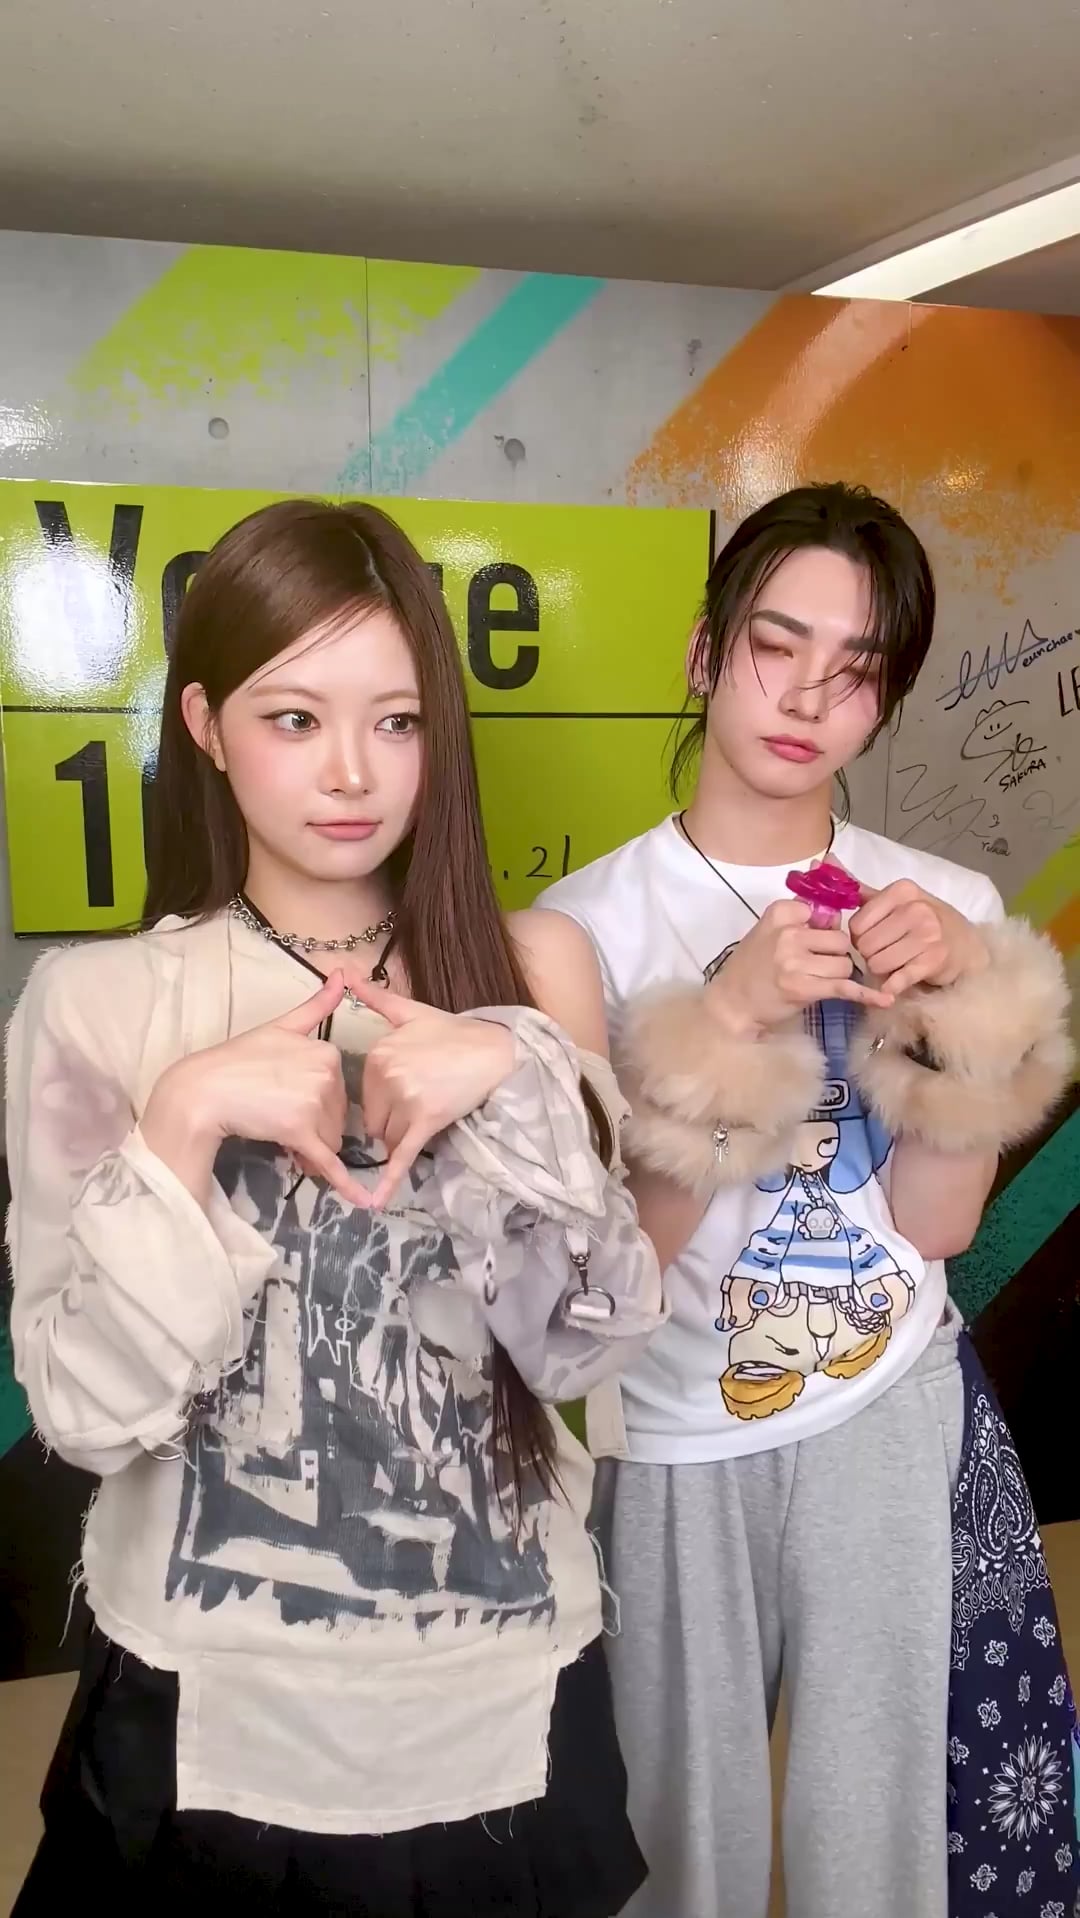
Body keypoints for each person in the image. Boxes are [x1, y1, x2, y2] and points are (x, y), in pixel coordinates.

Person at [6, 497, 664, 1915]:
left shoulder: (536, 968)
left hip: (501, 1702)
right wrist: (182, 1124)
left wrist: (519, 1075)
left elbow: (587, 1350)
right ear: (205, 722)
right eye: (294, 718)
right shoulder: (99, 1001)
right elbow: (82, 1415)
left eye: (398, 721)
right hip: (202, 1716)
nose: (353, 773)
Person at [538, 483, 1078, 1918]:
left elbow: (937, 1227)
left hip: (887, 1409)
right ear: (704, 653)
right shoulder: (587, 927)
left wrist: (964, 1002)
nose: (807, 697)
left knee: (878, 1838)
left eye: (855, 670)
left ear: (882, 701)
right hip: (669, 1425)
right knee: (673, 1837)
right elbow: (608, 1275)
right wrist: (724, 1017)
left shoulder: (942, 900)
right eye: (776, 647)